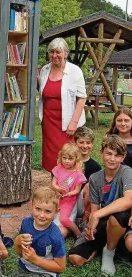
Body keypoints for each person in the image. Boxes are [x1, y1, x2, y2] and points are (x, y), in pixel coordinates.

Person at [69, 135, 132, 275]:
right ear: (101, 153)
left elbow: (128, 200)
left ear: (123, 157)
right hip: (104, 224)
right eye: (109, 153)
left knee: (118, 216)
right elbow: (94, 208)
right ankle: (102, 245)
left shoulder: (126, 172)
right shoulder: (95, 178)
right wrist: (92, 226)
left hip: (123, 223)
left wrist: (96, 215)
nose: (112, 158)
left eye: (117, 155)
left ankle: (109, 253)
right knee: (75, 258)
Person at [38, 37, 86, 172]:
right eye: (51, 52)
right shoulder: (44, 70)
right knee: (51, 158)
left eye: (58, 52)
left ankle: (69, 188)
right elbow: (44, 92)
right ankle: (54, 185)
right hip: (49, 121)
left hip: (67, 123)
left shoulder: (75, 71)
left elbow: (81, 98)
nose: (54, 55)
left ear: (66, 53)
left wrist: (74, 122)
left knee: (68, 157)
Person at [14, 187, 66, 277]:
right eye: (38, 209)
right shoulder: (26, 223)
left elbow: (61, 267)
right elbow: (19, 252)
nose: (42, 215)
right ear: (32, 205)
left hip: (45, 273)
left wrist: (35, 259)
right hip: (25, 268)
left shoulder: (55, 235)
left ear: (56, 212)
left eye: (48, 211)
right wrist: (18, 241)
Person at [52, 143, 87, 238]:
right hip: (56, 198)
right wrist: (58, 189)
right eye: (64, 158)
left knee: (63, 219)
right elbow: (53, 184)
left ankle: (77, 233)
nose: (66, 161)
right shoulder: (58, 169)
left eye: (70, 158)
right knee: (46, 212)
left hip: (68, 201)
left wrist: (68, 194)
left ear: (76, 159)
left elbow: (77, 190)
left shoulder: (78, 174)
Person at [74, 127, 101, 220]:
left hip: (84, 203)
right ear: (75, 143)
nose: (85, 146)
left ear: (92, 144)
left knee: (91, 186)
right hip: (67, 199)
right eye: (81, 142)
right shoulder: (68, 162)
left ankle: (83, 221)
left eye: (88, 142)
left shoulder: (96, 167)